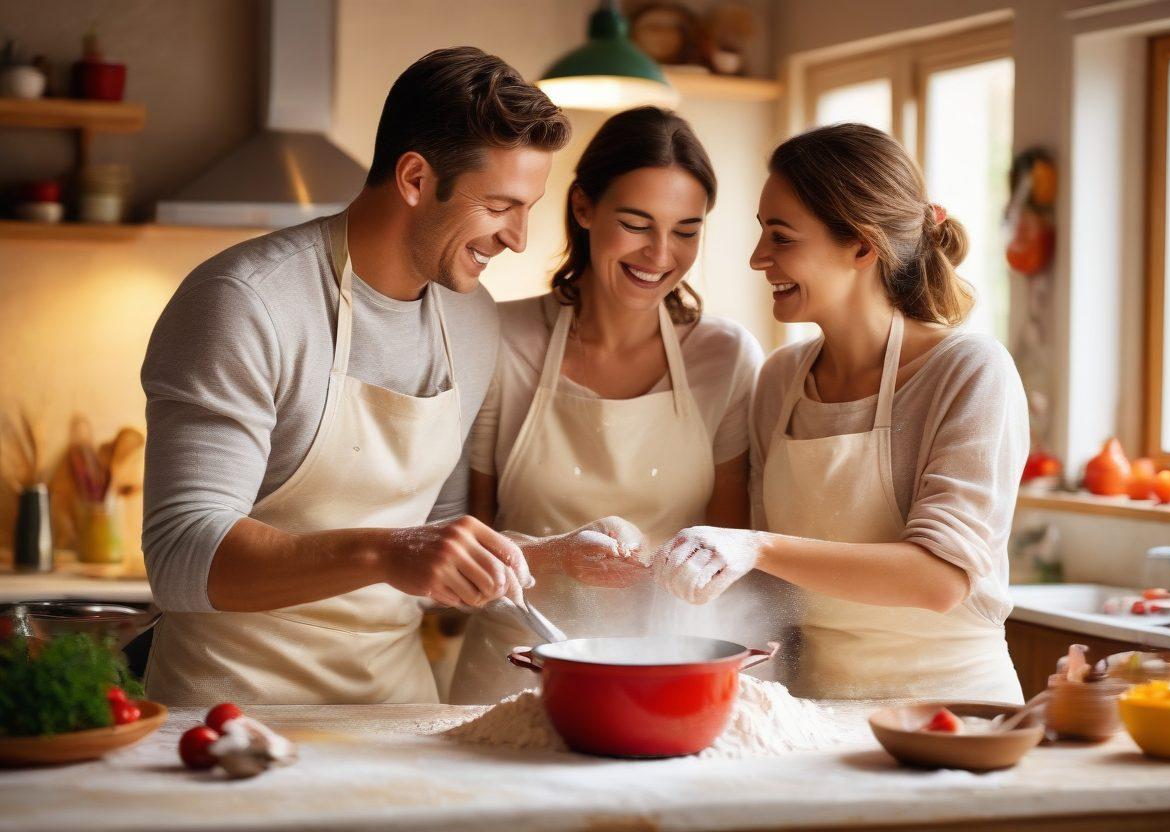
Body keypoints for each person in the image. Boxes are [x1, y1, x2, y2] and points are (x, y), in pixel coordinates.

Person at [139, 47, 594, 705]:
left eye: (528, 208)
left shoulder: (471, 322)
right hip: (228, 718)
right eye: (500, 206)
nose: (519, 238)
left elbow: (436, 535)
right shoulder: (245, 302)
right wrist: (387, 553)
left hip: (394, 716)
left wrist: (555, 558)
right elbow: (182, 557)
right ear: (414, 177)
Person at [653, 123, 1027, 702]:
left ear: (860, 245)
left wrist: (756, 546)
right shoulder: (780, 380)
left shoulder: (969, 370)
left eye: (781, 237)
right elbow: (770, 584)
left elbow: (938, 579)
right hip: (812, 708)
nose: (758, 259)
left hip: (950, 710)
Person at [448, 107, 765, 704]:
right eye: (637, 223)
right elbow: (471, 536)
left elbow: (728, 555)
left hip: (665, 673)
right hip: (512, 673)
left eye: (687, 230)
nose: (660, 254)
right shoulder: (500, 337)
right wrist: (561, 557)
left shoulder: (724, 358)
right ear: (584, 208)